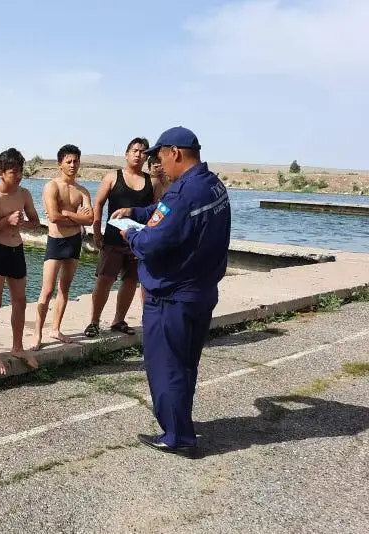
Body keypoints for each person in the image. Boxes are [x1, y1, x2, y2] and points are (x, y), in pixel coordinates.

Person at [111, 126, 231, 457]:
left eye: (161, 156)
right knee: (185, 364)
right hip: (201, 293)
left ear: (175, 152)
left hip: (171, 298)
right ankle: (181, 423)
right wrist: (136, 213)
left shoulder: (184, 195)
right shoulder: (212, 186)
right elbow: (166, 215)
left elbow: (153, 241)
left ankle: (178, 436)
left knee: (166, 366)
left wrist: (131, 235)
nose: (159, 164)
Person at [0, 148, 41, 374]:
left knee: (20, 302)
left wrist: (21, 223)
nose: (19, 176)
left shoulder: (24, 194)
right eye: (14, 172)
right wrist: (5, 221)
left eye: (21, 171)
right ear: (1, 173)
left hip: (17, 250)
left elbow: (36, 223)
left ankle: (17, 347)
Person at [85, 137, 154, 338]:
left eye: (142, 152)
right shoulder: (112, 177)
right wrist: (97, 233)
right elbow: (98, 204)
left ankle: (118, 320)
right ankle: (94, 321)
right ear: (126, 154)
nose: (138, 154)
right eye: (135, 150)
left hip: (136, 242)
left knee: (131, 281)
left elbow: (156, 211)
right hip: (112, 241)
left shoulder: (151, 182)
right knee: (104, 280)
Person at [30, 144, 93, 350]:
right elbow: (54, 217)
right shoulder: (52, 187)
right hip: (56, 242)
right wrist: (75, 217)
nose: (73, 165)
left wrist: (67, 214)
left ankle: (55, 329)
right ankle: (37, 334)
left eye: (76, 161)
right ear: (60, 164)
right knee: (47, 290)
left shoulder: (82, 191)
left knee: (64, 289)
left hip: (74, 242)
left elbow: (90, 219)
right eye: (69, 161)